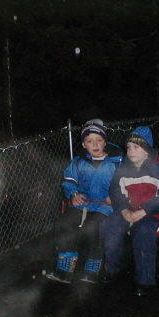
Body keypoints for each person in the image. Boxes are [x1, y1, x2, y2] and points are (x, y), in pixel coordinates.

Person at [99, 126, 159, 296]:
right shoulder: (122, 169)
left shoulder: (158, 169)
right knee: (109, 227)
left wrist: (146, 210)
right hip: (127, 210)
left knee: (144, 233)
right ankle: (112, 267)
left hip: (150, 213)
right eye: (128, 147)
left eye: (136, 147)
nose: (131, 151)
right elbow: (116, 191)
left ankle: (145, 279)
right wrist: (123, 209)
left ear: (147, 150)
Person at [46, 119, 123, 284]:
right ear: (83, 144)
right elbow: (69, 179)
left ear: (105, 141)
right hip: (83, 202)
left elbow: (126, 182)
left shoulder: (116, 162)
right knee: (64, 223)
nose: (95, 144)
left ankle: (92, 267)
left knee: (92, 227)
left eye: (99, 140)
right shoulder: (79, 162)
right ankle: (65, 267)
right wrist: (73, 193)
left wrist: (115, 196)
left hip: (105, 205)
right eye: (89, 141)